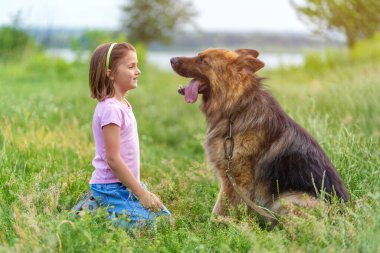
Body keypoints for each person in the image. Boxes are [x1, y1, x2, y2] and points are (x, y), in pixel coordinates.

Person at [86, 42, 171, 228]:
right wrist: (142, 194)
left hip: (124, 186)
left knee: (165, 219)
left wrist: (140, 190)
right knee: (155, 225)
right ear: (111, 74)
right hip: (110, 188)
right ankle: (94, 211)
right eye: (131, 66)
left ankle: (100, 209)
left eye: (136, 65)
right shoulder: (110, 109)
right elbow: (113, 159)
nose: (138, 71)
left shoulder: (121, 105)